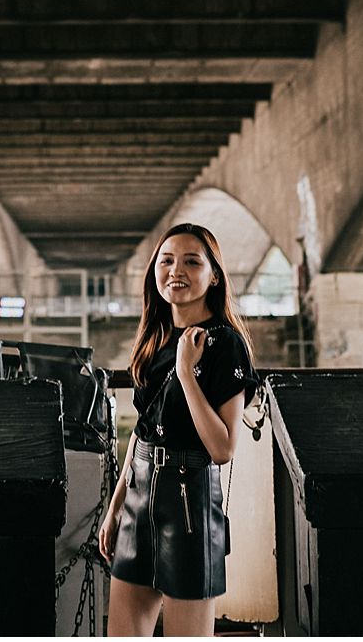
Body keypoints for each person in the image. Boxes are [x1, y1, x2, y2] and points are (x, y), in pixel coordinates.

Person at [99, 222, 259, 636]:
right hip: (141, 494)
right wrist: (116, 506)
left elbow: (223, 448)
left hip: (189, 502)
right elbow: (142, 430)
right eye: (166, 261)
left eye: (192, 261)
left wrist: (187, 373)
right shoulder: (154, 338)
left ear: (214, 275)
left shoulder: (225, 344)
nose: (176, 271)